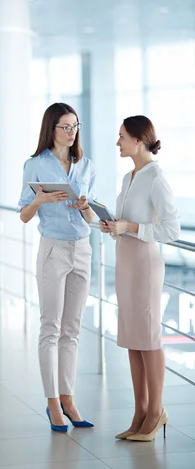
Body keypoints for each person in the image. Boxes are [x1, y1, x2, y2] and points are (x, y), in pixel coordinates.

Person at [100, 115, 180, 442]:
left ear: (137, 139)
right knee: (133, 338)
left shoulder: (156, 178)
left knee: (149, 337)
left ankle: (157, 411)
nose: (117, 142)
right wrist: (114, 226)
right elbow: (127, 221)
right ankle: (140, 411)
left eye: (121, 137)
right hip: (126, 263)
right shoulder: (128, 177)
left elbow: (172, 229)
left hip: (146, 266)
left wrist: (130, 228)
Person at [18, 102, 96, 432]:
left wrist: (85, 206)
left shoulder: (86, 165)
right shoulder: (35, 165)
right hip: (52, 249)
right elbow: (23, 214)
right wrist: (39, 200)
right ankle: (52, 403)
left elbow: (91, 217)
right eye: (65, 126)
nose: (71, 132)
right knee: (50, 327)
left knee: (72, 330)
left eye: (75, 126)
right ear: (51, 129)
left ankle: (68, 398)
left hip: (82, 249)